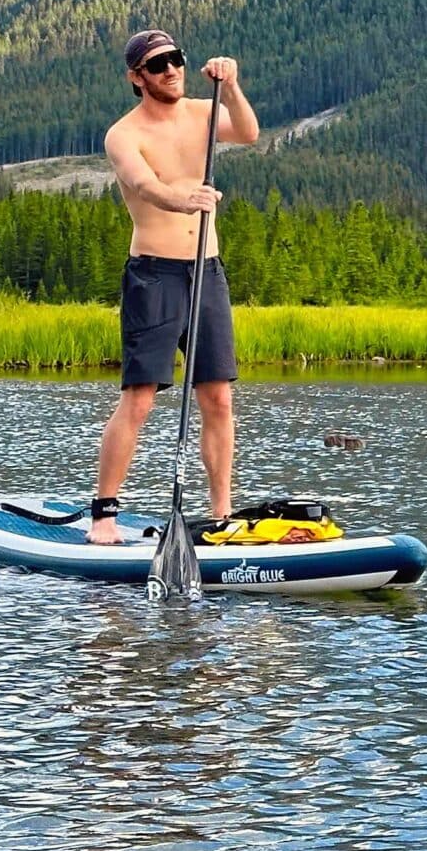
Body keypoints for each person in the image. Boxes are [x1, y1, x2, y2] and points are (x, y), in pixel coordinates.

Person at [87, 29, 261, 545]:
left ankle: (221, 514)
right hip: (154, 274)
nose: (171, 70)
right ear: (136, 77)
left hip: (207, 272)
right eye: (158, 64)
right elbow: (141, 184)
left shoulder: (202, 113)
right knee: (139, 398)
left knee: (219, 397)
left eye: (176, 60)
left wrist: (230, 87)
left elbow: (248, 132)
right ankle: (104, 514)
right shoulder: (124, 134)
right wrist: (181, 201)